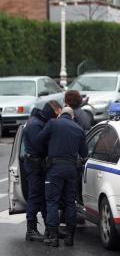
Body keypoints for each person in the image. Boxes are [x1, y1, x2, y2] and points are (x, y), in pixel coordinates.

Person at [36, 107, 88, 247]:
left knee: (52, 202)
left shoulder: (53, 123)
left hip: (55, 169)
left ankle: (53, 237)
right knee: (70, 202)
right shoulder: (78, 129)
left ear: (60, 115)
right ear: (72, 117)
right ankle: (70, 237)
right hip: (71, 170)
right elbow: (84, 153)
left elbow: (38, 140)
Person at [23, 100, 62, 242]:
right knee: (35, 196)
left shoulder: (38, 121)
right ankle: (31, 230)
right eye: (55, 114)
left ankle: (49, 229)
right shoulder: (35, 124)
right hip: (35, 165)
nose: (56, 118)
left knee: (45, 196)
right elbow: (39, 146)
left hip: (38, 164)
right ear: (51, 112)